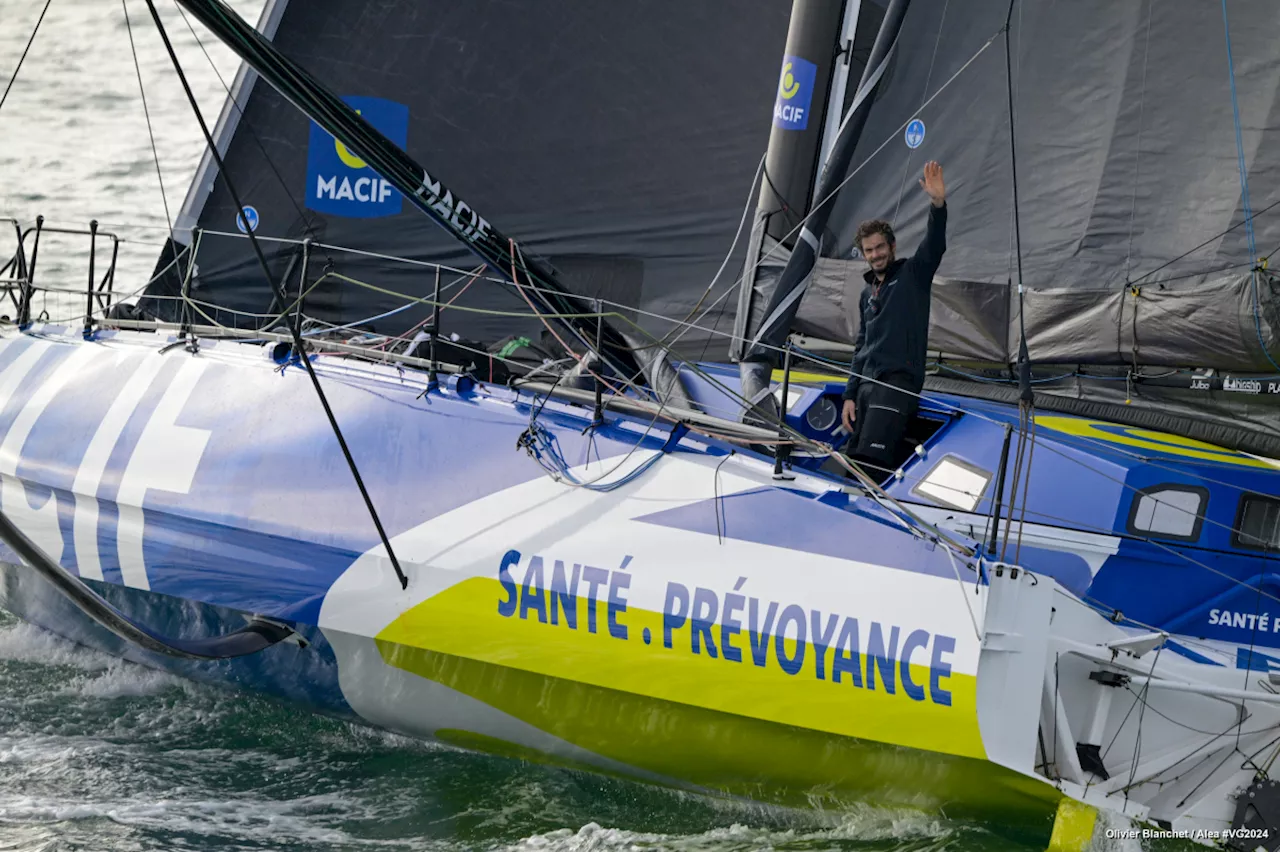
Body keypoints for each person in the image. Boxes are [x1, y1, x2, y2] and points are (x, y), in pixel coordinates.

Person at [840, 160, 947, 473]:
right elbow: (861, 347)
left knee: (871, 467)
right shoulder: (867, 292)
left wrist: (937, 204)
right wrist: (849, 395)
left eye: (879, 247)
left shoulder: (913, 275)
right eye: (868, 250)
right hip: (865, 389)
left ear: (892, 246)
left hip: (897, 385)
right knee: (850, 464)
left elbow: (935, 246)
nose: (875, 255)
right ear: (863, 254)